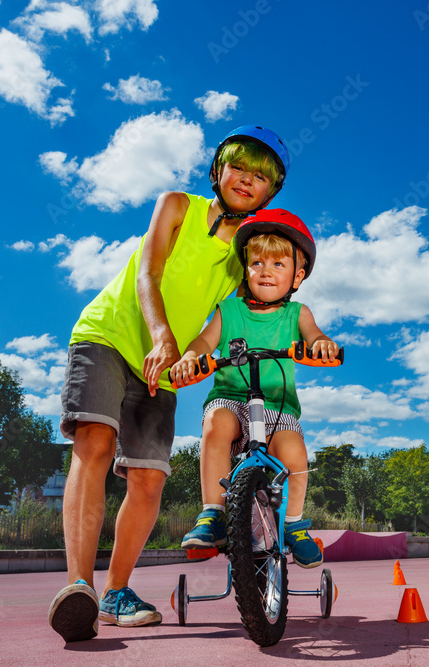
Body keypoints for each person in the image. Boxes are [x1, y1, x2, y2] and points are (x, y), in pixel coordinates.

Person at [48, 126, 290, 642]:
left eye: (261, 177)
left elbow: (228, 320)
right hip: (109, 336)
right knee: (94, 443)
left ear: (271, 192)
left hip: (166, 365)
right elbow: (147, 274)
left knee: (149, 479)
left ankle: (115, 592)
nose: (247, 181)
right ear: (218, 172)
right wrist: (162, 337)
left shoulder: (241, 256)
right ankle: (78, 588)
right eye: (239, 168)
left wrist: (199, 360)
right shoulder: (177, 205)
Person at [169, 209, 339, 569]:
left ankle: (293, 525)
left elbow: (315, 337)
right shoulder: (228, 311)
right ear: (245, 270)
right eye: (257, 262)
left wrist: (322, 344)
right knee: (215, 424)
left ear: (298, 275)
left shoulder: (297, 314)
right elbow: (203, 341)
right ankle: (212, 513)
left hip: (278, 406)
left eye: (278, 264)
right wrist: (190, 357)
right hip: (231, 398)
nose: (266, 270)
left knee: (294, 451)